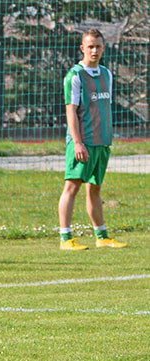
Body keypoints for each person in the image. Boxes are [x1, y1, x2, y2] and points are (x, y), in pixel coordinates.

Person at [58, 29, 126, 250]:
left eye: (98, 46)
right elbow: (71, 111)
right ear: (82, 48)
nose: (94, 50)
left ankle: (102, 236)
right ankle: (65, 238)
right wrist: (77, 142)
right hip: (82, 143)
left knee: (95, 188)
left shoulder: (107, 74)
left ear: (104, 48)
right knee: (72, 186)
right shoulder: (75, 76)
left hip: (102, 142)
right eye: (90, 46)